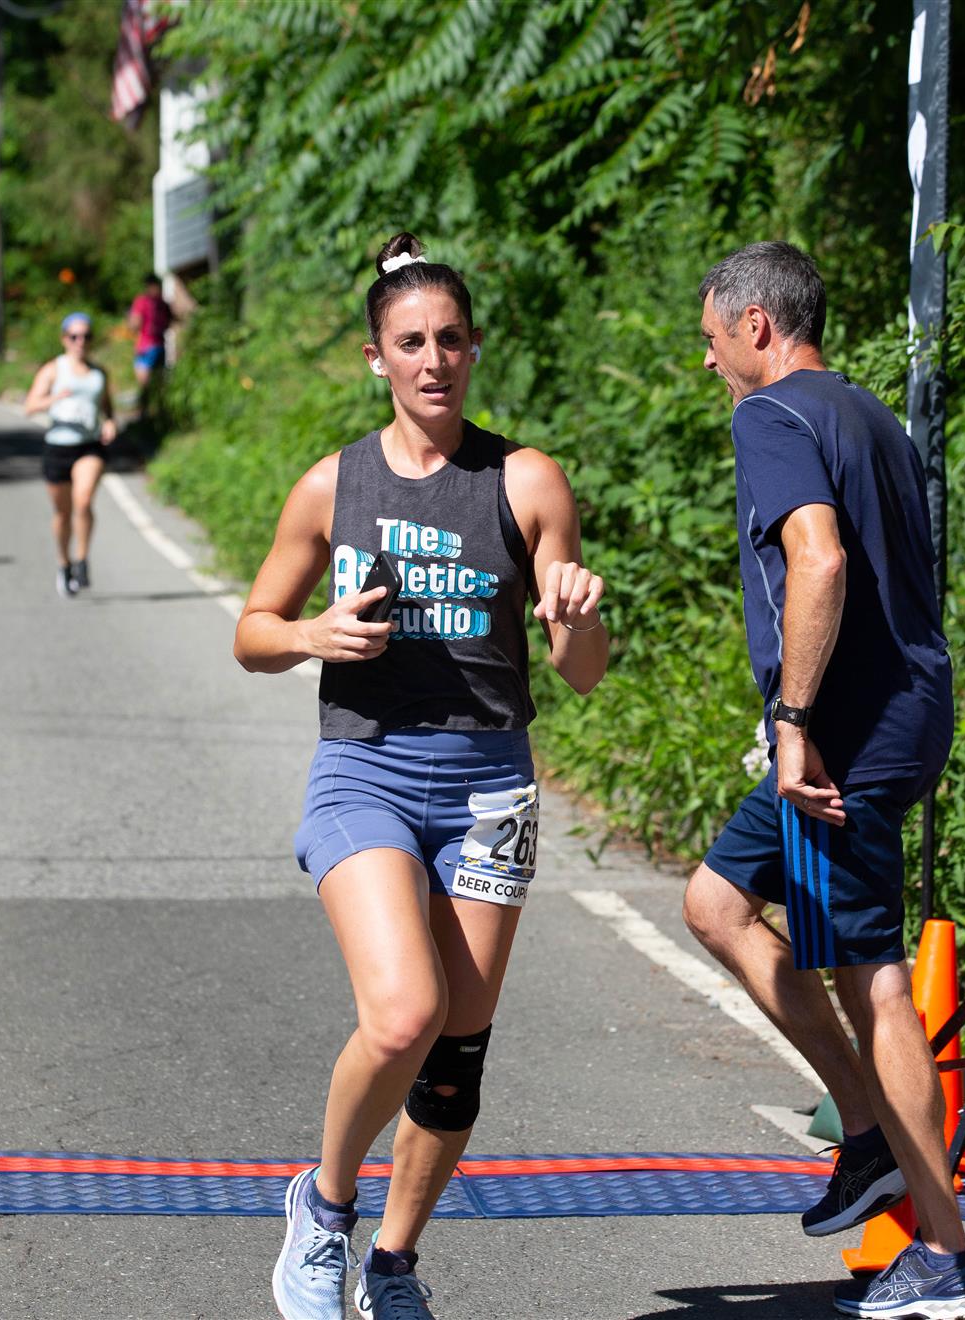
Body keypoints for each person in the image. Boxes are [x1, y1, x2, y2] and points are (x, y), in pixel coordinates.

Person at [240, 233, 608, 1320]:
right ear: (377, 358)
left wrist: (579, 617)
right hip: (366, 769)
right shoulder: (333, 485)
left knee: (456, 1054)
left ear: (474, 347)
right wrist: (309, 636)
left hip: (490, 783)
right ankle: (323, 1207)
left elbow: (580, 673)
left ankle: (393, 1267)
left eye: (450, 339)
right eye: (411, 343)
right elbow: (252, 631)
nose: (434, 360)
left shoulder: (525, 480)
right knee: (405, 1014)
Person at [679, 241, 965, 1319]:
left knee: (876, 982)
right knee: (716, 902)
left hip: (843, 735)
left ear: (756, 326)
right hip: (904, 708)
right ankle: (867, 1132)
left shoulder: (770, 416)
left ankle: (944, 1255)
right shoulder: (867, 413)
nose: (710, 360)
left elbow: (819, 558)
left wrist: (794, 722)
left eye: (712, 338)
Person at [22, 313, 117, 596]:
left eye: (86, 336)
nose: (81, 342)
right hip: (58, 447)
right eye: (75, 336)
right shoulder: (53, 370)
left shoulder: (99, 374)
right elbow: (30, 406)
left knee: (83, 500)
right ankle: (64, 562)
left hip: (89, 446)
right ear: (65, 339)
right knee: (63, 514)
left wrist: (110, 423)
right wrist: (55, 398)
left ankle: (82, 560)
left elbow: (107, 408)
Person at [128, 273, 172, 398]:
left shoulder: (142, 301)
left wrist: (130, 324)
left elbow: (135, 324)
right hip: (161, 346)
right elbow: (169, 322)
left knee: (144, 386)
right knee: (160, 385)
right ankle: (160, 406)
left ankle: (145, 407)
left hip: (146, 346)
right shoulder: (163, 303)